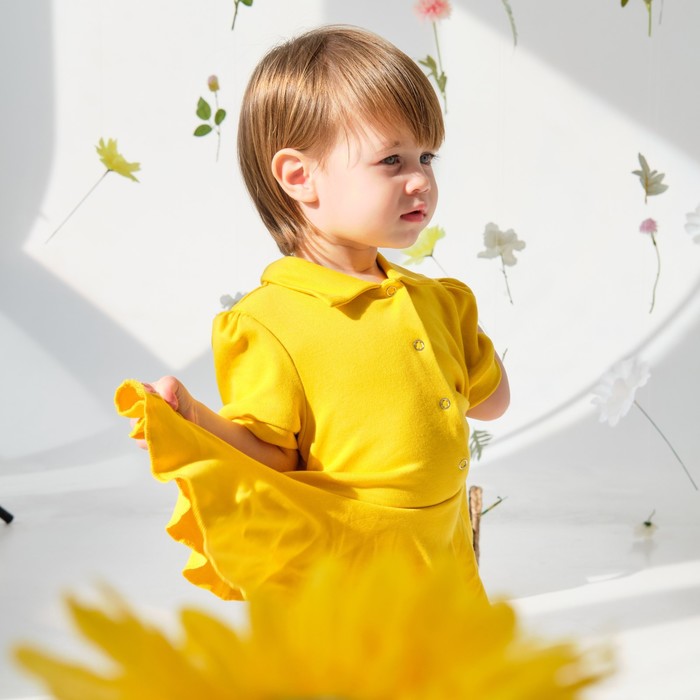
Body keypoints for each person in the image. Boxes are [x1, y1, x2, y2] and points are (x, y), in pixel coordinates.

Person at [115, 24, 509, 602]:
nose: (421, 180)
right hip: (350, 570)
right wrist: (194, 418)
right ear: (300, 177)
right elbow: (273, 455)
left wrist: (462, 335)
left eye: (426, 156)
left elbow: (493, 404)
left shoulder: (439, 299)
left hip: (444, 558)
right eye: (392, 159)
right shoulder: (269, 323)